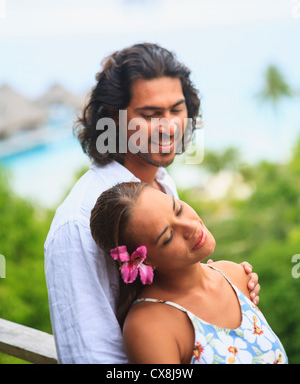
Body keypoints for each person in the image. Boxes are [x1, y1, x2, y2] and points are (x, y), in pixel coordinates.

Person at [44, 43, 260, 364]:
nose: (169, 127)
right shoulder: (78, 224)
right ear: (113, 121)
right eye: (150, 114)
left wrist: (222, 291)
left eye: (176, 109)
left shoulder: (160, 181)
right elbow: (92, 357)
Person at [90, 181, 288, 365]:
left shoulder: (235, 275)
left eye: (179, 209)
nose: (191, 227)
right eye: (168, 236)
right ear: (143, 261)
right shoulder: (149, 328)